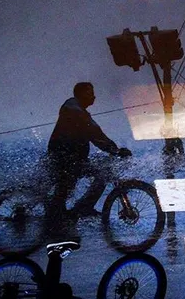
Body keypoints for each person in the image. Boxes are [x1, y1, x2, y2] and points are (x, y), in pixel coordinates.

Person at [47, 82, 131, 220]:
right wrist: (115, 150)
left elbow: (94, 133)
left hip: (71, 157)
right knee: (100, 173)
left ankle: (60, 215)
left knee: (65, 188)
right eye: (90, 93)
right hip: (65, 158)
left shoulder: (78, 110)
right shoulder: (73, 108)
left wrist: (112, 149)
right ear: (80, 94)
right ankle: (83, 208)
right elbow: (94, 132)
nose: (94, 96)